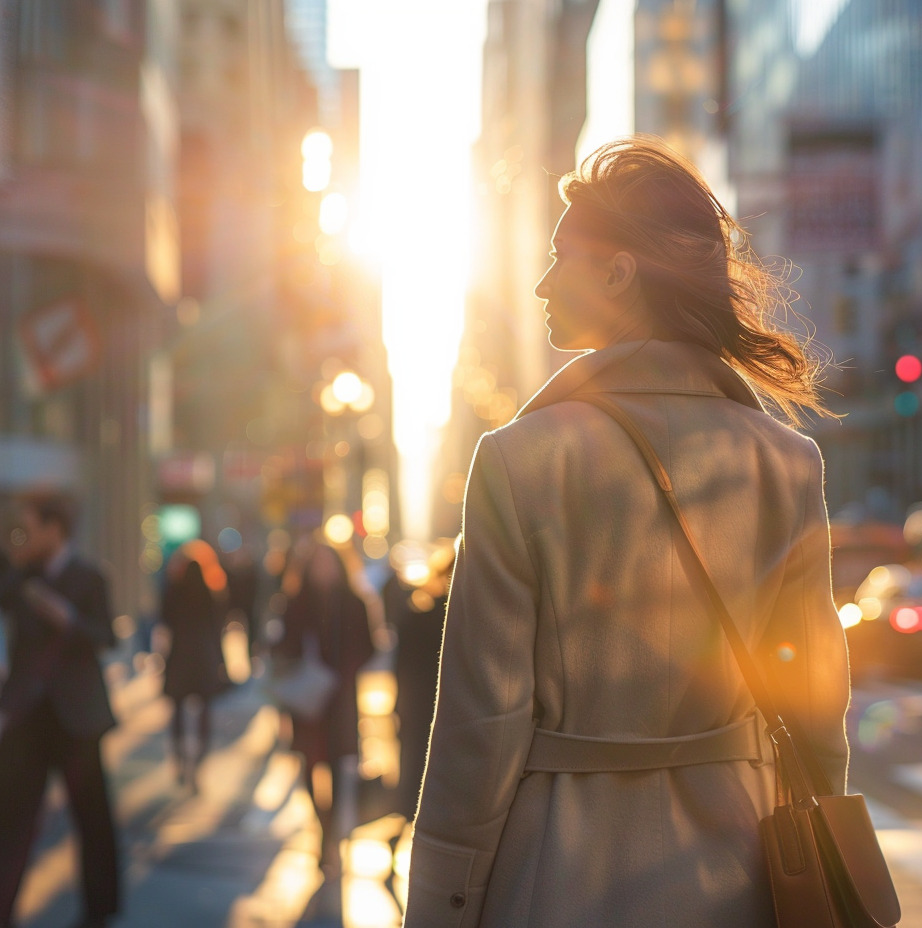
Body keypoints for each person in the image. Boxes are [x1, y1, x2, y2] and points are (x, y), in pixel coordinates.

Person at [403, 137, 850, 928]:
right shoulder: (787, 464)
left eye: (560, 257)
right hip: (742, 878)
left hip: (556, 881)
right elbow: (816, 718)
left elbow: (481, 730)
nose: (541, 283)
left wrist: (440, 905)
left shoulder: (518, 462)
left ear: (619, 273)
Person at [0, 491, 120, 928]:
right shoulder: (19, 577)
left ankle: (99, 909)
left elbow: (107, 636)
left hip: (76, 718)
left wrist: (68, 619)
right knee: (11, 819)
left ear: (55, 529)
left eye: (28, 529)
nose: (21, 537)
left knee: (91, 818)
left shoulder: (89, 577)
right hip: (27, 718)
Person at [272, 540, 375, 876]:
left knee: (336, 766)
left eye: (328, 562)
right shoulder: (294, 602)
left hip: (340, 698)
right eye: (316, 563)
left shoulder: (354, 602)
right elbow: (281, 646)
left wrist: (344, 671)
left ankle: (329, 838)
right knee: (308, 765)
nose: (323, 570)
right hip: (307, 699)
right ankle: (323, 830)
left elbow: (370, 646)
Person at [386, 541, 455, 814]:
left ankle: (407, 818)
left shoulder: (416, 616)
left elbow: (401, 668)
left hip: (418, 709)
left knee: (415, 770)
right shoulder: (460, 622)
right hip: (439, 710)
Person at [159, 540, 229, 789]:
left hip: (179, 655)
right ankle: (198, 761)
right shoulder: (212, 590)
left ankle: (180, 760)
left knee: (177, 711)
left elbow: (164, 620)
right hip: (204, 657)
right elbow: (218, 627)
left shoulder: (173, 589)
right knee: (204, 713)